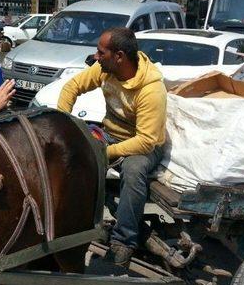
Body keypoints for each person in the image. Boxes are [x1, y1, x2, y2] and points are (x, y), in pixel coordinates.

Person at [57, 27, 167, 268]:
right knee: (70, 155)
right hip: (109, 133)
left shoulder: (151, 89)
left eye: (101, 52)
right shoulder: (105, 68)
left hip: (143, 144)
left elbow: (147, 140)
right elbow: (70, 88)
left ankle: (125, 240)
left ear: (119, 56)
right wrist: (62, 124)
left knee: (134, 171)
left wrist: (104, 153)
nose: (96, 57)